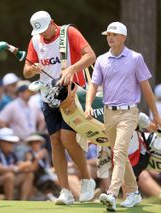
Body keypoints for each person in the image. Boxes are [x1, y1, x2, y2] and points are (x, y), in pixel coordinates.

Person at [85, 21, 161, 211]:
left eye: (114, 34)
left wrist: (156, 115)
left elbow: (146, 88)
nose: (110, 37)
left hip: (129, 112)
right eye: (108, 35)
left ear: (123, 37)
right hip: (108, 113)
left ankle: (112, 194)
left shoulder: (135, 58)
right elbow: (93, 85)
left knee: (120, 152)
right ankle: (133, 193)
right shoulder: (102, 60)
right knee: (119, 153)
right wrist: (88, 105)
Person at [23, 10, 96, 205]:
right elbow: (26, 71)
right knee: (55, 141)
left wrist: (71, 69)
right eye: (39, 31)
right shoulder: (36, 41)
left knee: (67, 138)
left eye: (45, 30)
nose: (43, 35)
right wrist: (33, 68)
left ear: (52, 23)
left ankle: (87, 181)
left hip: (72, 95)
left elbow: (90, 56)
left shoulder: (69, 32)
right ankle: (65, 191)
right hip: (49, 97)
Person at [0, 128, 34, 200]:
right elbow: (0, 170)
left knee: (29, 175)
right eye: (10, 142)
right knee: (9, 176)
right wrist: (17, 168)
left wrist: (27, 162)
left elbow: (19, 165)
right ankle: (10, 202)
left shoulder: (11, 154)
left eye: (12, 143)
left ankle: (23, 202)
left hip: (7, 181)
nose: (12, 145)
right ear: (1, 142)